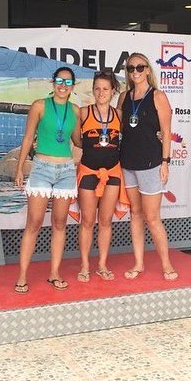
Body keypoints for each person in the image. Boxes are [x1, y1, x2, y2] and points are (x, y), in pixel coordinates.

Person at [14, 67, 81, 293]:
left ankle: (54, 273)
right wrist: (20, 168)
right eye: (59, 81)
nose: (63, 85)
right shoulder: (39, 106)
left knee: (60, 224)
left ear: (73, 85)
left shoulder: (75, 110)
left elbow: (79, 141)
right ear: (53, 83)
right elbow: (27, 138)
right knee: (34, 222)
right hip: (42, 168)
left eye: (68, 81)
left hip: (66, 170)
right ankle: (22, 276)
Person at [117, 53, 178, 280]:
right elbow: (119, 128)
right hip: (128, 162)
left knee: (152, 218)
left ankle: (167, 265)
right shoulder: (124, 97)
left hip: (151, 163)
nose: (136, 71)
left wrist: (165, 162)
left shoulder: (158, 96)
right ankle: (139, 263)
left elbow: (167, 132)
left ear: (148, 70)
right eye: (131, 68)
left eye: (140, 67)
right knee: (135, 214)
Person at [75, 70, 128, 281]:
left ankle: (102, 264)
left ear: (113, 91)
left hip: (113, 173)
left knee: (105, 221)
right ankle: (85, 266)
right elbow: (76, 140)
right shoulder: (83, 112)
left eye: (105, 89)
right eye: (97, 88)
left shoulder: (119, 115)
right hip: (88, 172)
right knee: (87, 221)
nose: (101, 92)